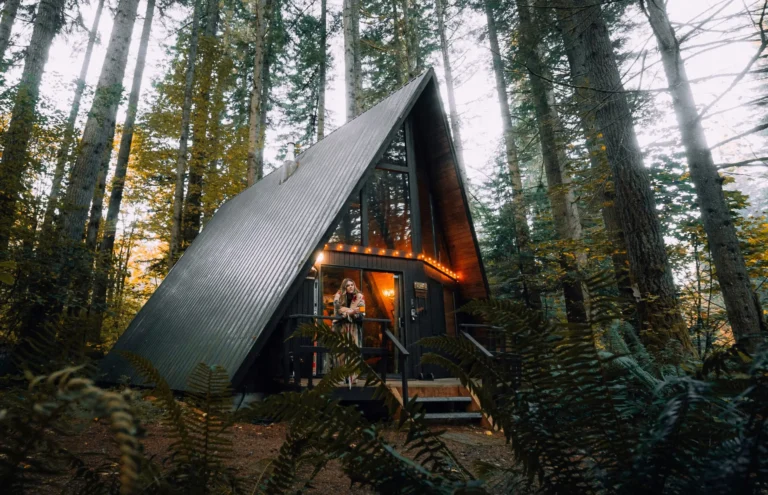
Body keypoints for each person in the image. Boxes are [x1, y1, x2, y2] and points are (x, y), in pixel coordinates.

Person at [333, 278, 365, 387]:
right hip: (341, 327)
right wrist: (351, 311)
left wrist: (347, 312)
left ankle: (353, 377)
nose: (351, 287)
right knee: (341, 352)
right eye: (348, 285)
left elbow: (362, 311)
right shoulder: (339, 296)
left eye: (352, 284)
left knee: (353, 352)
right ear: (344, 287)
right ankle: (341, 377)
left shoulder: (360, 296)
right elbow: (338, 309)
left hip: (354, 327)